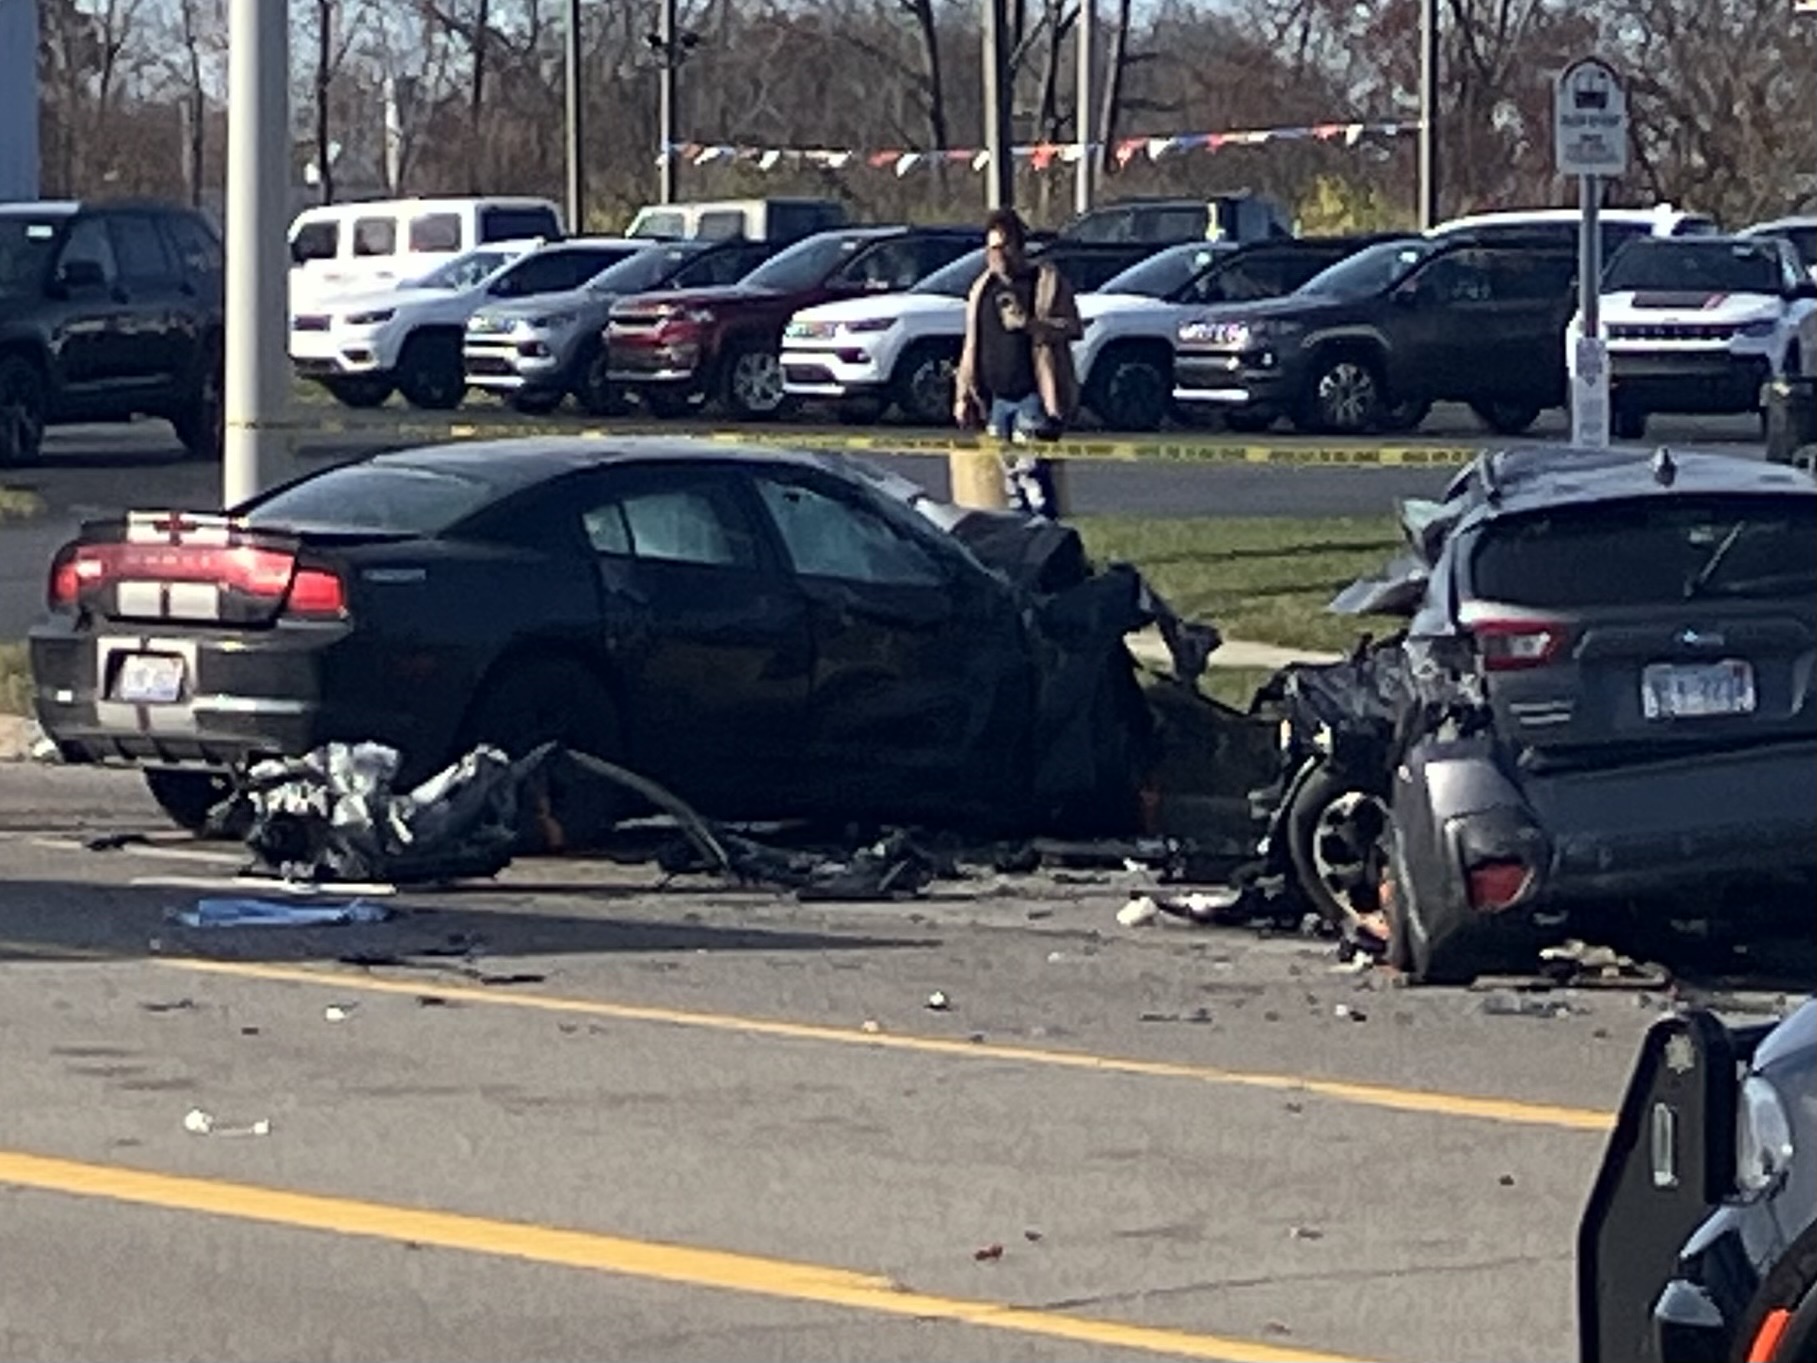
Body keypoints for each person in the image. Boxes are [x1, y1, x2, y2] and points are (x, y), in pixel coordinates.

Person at [953, 208, 1083, 516]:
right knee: (1010, 481)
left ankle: (1049, 540)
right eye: (990, 248)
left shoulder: (1045, 283)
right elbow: (971, 345)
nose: (996, 255)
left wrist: (1030, 325)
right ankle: (1024, 543)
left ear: (1018, 246)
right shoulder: (982, 288)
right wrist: (962, 395)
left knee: (1033, 477)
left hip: (1033, 397)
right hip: (997, 400)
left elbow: (1073, 327)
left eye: (1002, 247)